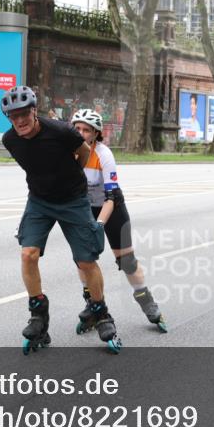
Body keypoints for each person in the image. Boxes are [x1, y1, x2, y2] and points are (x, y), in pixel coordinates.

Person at [0, 86, 122, 354]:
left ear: (33, 111)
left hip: (73, 200)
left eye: (23, 114)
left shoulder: (60, 131)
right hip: (40, 201)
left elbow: (85, 154)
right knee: (28, 255)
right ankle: (38, 316)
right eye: (12, 116)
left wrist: (69, 176)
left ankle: (101, 313)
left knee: (86, 260)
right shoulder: (10, 140)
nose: (19, 120)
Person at [70, 109, 167, 333]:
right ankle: (93, 304)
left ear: (95, 134)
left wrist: (100, 224)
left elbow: (111, 196)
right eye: (77, 129)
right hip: (85, 209)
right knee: (82, 260)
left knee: (127, 261)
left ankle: (148, 303)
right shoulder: (67, 153)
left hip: (111, 207)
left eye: (86, 130)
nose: (81, 133)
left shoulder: (104, 154)